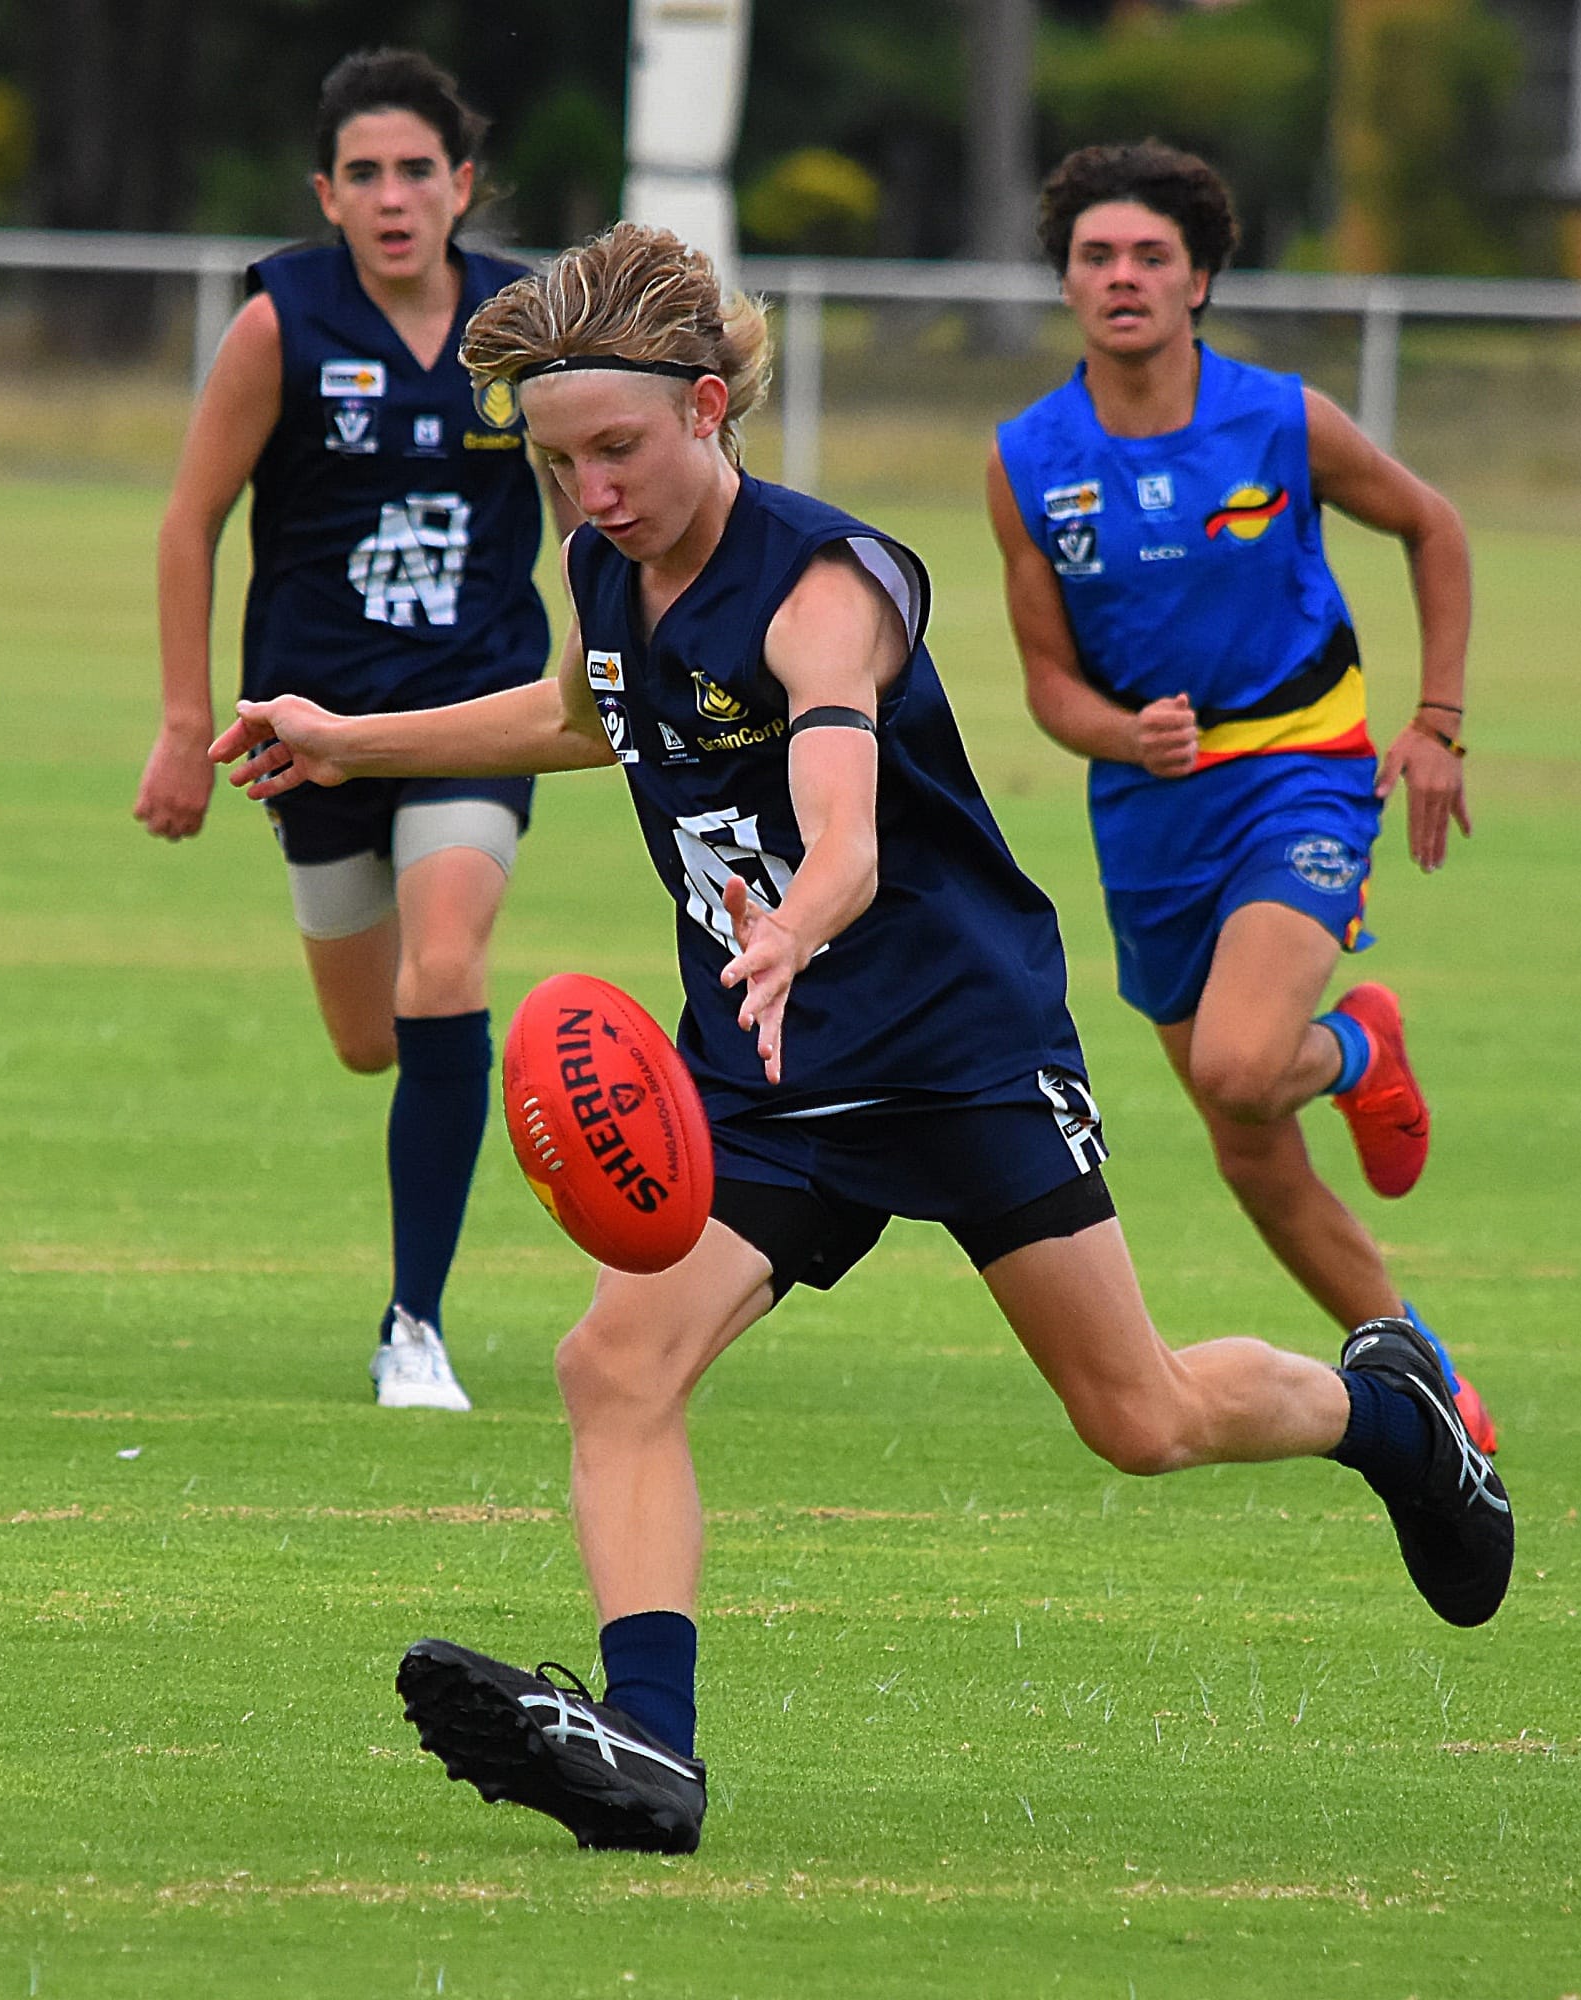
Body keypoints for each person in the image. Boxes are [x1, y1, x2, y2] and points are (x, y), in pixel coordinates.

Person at [209, 222, 1511, 1857]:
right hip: (767, 1073)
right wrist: (349, 739)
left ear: (704, 407)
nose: (588, 490)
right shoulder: (605, 558)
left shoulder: (826, 589)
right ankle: (651, 1750)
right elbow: (581, 713)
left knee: (1136, 1417)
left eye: (614, 449)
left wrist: (796, 922)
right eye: (555, 464)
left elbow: (845, 829)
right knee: (612, 1363)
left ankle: (1384, 1410)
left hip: (956, 1046)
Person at [988, 141, 1497, 1454]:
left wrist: (1435, 722)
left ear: (1199, 277)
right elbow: (1046, 682)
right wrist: (1120, 730)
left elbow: (1431, 524)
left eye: (1149, 255)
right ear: (1063, 283)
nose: (1121, 277)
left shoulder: (1279, 418)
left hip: (1300, 779)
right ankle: (1427, 1376)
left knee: (1237, 1064)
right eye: (1094, 256)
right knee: (1248, 1146)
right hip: (1150, 818)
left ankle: (1360, 1048)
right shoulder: (1029, 458)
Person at [134, 49, 577, 1409]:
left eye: (418, 172)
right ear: (326, 195)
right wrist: (181, 722)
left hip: (472, 710)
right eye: (365, 176)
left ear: (464, 185)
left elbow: (588, 517)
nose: (394, 199)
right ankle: (420, 1096)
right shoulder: (283, 323)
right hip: (310, 725)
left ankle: (414, 1326)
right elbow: (188, 523)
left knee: (443, 969)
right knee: (370, 1037)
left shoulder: (525, 321)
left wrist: (603, 673)